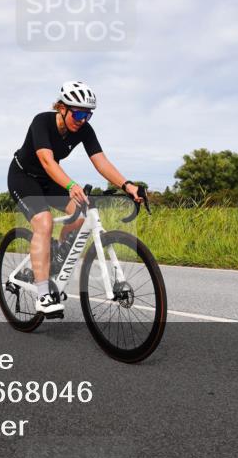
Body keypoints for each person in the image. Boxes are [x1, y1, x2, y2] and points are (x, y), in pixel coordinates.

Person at [8, 81, 142, 315]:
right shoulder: (42, 121)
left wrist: (127, 184)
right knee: (44, 222)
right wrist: (70, 184)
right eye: (78, 113)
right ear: (62, 108)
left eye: (88, 115)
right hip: (24, 176)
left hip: (49, 180)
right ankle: (43, 295)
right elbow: (47, 161)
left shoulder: (84, 130)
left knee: (79, 216)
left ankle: (56, 258)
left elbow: (101, 161)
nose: (82, 119)